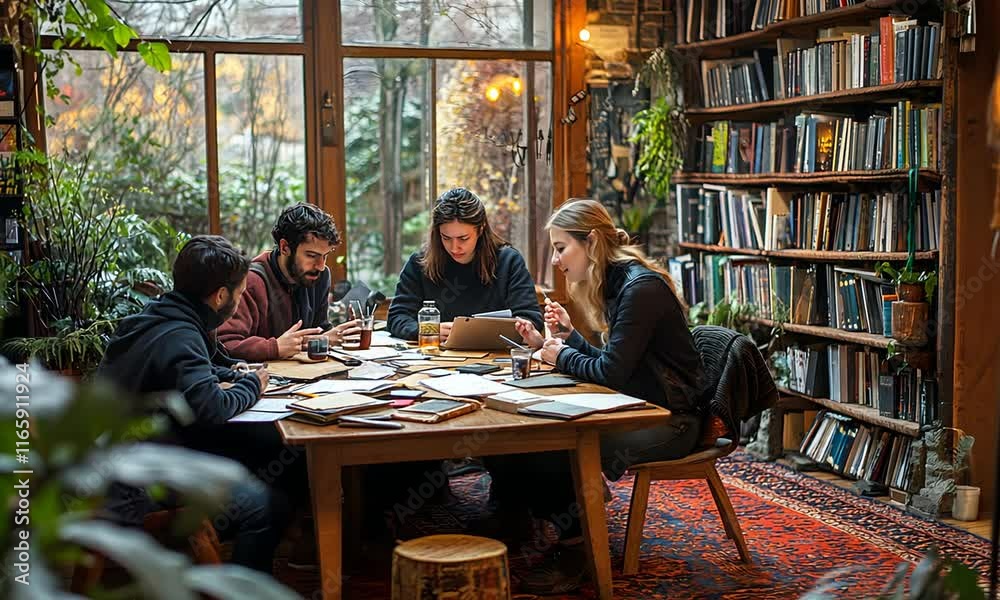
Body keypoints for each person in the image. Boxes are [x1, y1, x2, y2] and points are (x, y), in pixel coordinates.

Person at [502, 198, 709, 594]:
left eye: (561, 248)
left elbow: (611, 374)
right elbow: (617, 365)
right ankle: (565, 512)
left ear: (592, 241)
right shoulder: (620, 282)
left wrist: (562, 356)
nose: (557, 261)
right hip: (644, 406)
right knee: (536, 435)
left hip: (674, 422)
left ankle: (577, 548)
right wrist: (567, 339)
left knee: (552, 444)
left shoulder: (639, 289)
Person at [98, 235, 292, 573]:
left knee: (264, 451)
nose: (239, 300)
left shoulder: (155, 317)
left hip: (111, 463)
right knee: (266, 506)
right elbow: (212, 408)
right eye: (240, 293)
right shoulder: (182, 334)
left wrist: (230, 371)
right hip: (135, 484)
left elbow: (188, 370)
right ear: (220, 296)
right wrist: (252, 384)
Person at [387, 187, 544, 341]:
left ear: (480, 229)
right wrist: (429, 330)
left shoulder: (508, 261)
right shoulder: (420, 263)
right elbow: (397, 317)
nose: (454, 248)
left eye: (463, 238)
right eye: (446, 238)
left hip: (495, 355)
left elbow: (531, 318)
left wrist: (521, 328)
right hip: (434, 355)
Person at [218, 202, 360, 361]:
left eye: (325, 256)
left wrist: (333, 336)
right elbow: (226, 344)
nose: (321, 266)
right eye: (311, 255)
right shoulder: (251, 281)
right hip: (260, 375)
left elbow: (318, 330)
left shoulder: (319, 276)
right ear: (285, 247)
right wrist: (274, 348)